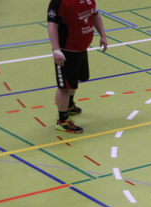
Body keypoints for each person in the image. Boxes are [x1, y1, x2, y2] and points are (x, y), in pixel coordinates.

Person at [47, 0, 108, 134]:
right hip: (66, 50)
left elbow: (95, 14)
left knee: (75, 79)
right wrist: (56, 49)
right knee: (65, 86)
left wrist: (103, 35)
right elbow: (52, 25)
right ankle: (63, 121)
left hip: (81, 48)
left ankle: (69, 105)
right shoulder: (59, 2)